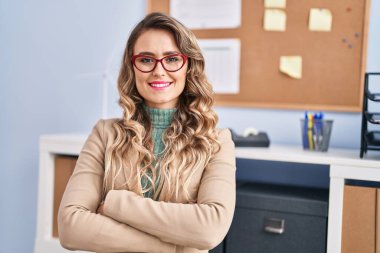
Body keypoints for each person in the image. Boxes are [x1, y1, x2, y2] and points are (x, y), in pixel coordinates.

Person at [58, 12, 236, 253]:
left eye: (172, 59)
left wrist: (114, 202)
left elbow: (210, 229)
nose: (159, 71)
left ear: (188, 66)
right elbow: (71, 228)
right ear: (132, 67)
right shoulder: (104, 134)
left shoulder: (216, 141)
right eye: (146, 60)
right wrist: (177, 248)